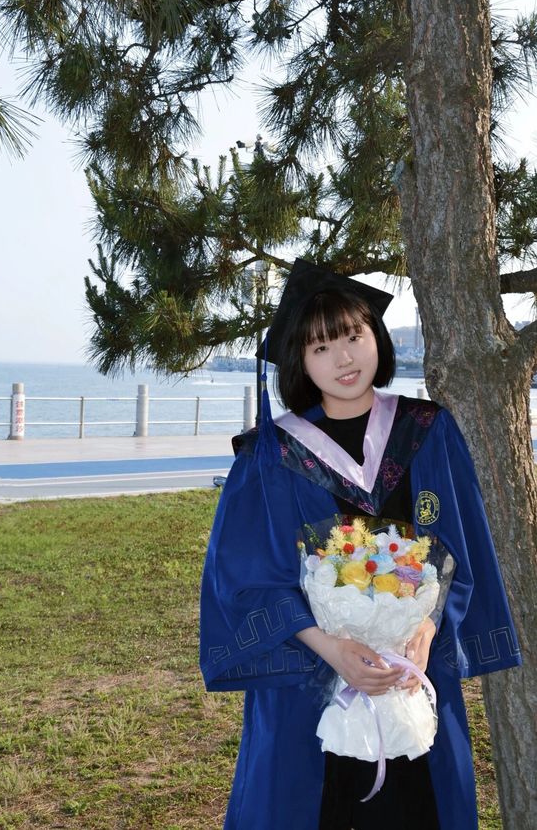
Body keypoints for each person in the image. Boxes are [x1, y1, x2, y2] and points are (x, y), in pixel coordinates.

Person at [200, 258, 521, 830]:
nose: (343, 358)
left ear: (377, 336)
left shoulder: (428, 431)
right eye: (321, 347)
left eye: (353, 336)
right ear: (299, 359)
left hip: (410, 672)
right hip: (310, 679)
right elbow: (246, 577)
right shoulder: (271, 454)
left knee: (419, 804)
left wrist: (427, 629)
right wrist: (332, 648)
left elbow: (460, 546)